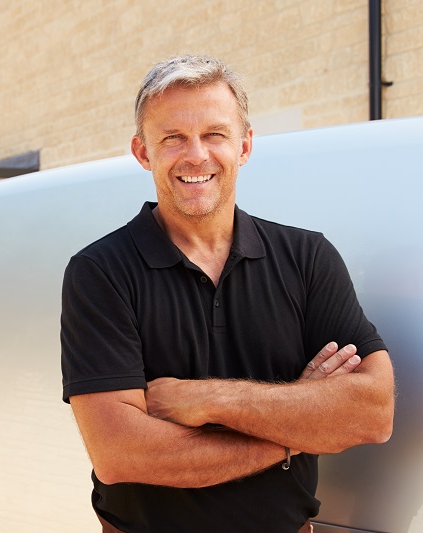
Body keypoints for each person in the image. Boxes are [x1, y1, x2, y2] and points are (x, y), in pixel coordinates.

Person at [60, 55, 395, 532]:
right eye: (172, 137)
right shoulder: (100, 272)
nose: (196, 155)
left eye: (214, 134)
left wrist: (207, 399)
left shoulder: (307, 258)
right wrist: (299, 430)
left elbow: (372, 412)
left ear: (245, 145)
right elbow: (122, 455)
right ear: (142, 152)